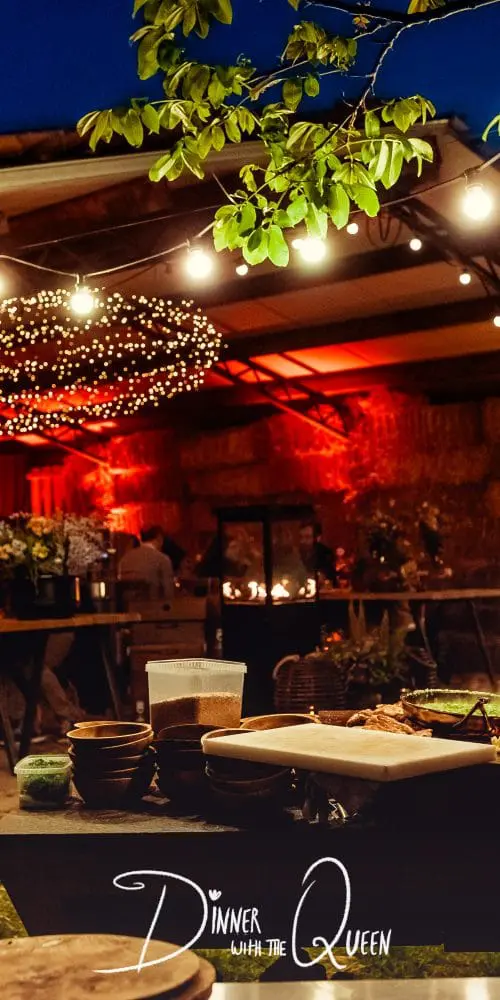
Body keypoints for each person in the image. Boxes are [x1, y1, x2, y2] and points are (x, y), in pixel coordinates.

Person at [118, 524, 175, 600]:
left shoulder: (125, 559)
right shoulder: (162, 559)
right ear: (159, 538)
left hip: (126, 605)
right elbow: (169, 593)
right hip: (152, 605)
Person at [299, 520, 337, 584]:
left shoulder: (325, 554)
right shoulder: (296, 553)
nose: (302, 541)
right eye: (301, 537)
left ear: (318, 538)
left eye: (307, 537)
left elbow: (324, 578)